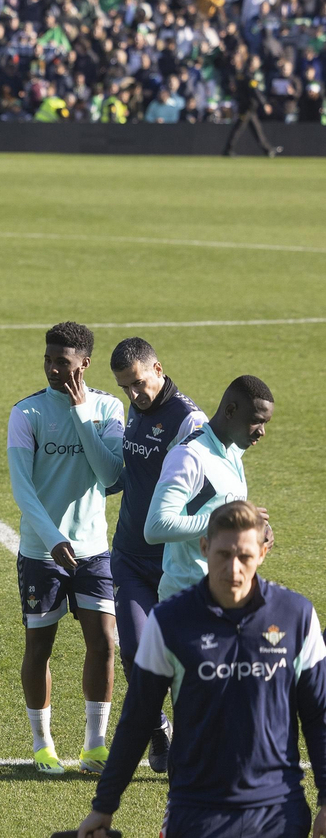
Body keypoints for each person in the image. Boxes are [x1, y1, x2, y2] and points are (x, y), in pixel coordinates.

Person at [77, 501, 326, 838]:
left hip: (278, 812)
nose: (234, 570)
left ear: (262, 554)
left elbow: (317, 716)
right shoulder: (170, 621)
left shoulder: (296, 616)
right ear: (205, 547)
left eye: (245, 557)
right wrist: (104, 805)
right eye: (223, 555)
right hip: (196, 810)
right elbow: (138, 717)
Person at [7, 321, 124, 774]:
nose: (54, 369)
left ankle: (95, 745)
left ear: (85, 363)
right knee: (40, 647)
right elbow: (22, 489)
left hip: (93, 550)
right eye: (49, 360)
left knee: (105, 643)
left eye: (64, 361)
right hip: (42, 552)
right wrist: (52, 537)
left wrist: (80, 412)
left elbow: (110, 476)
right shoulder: (27, 413)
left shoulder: (109, 408)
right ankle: (43, 744)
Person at [106, 337, 206, 771]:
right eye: (125, 387)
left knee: (184, 658)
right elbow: (133, 471)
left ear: (158, 369)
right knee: (132, 649)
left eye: (138, 383)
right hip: (128, 553)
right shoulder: (137, 407)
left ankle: (192, 743)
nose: (133, 394)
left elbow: (201, 494)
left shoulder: (189, 421)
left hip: (171, 562)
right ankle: (157, 730)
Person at [146, 374, 274, 601]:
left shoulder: (232, 451)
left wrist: (254, 531)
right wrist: (228, 521)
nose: (262, 431)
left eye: (265, 423)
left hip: (226, 591)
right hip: (186, 597)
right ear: (230, 411)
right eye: (256, 420)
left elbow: (216, 508)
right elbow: (156, 527)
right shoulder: (189, 456)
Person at [223, 54, 282, 158]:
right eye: (256, 61)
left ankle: (267, 150)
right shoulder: (248, 75)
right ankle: (228, 149)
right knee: (239, 129)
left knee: (256, 129)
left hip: (249, 107)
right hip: (246, 107)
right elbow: (255, 92)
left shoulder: (244, 74)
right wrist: (264, 104)